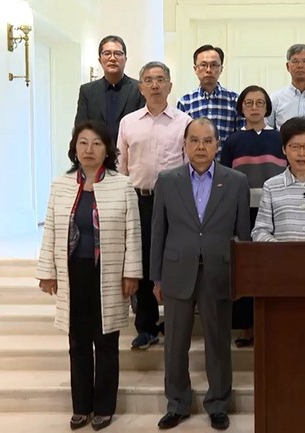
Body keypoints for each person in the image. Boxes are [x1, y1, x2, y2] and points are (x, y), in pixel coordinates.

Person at [36, 121, 142, 431]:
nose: (89, 149)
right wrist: (47, 271)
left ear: (107, 149)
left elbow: (133, 233)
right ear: (74, 149)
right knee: (77, 341)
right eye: (83, 143)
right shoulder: (61, 185)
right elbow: (52, 230)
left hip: (107, 273)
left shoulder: (122, 185)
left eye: (96, 143)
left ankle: (104, 407)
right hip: (73, 272)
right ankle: (81, 406)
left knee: (106, 341)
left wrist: (131, 272)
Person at [150, 118, 251, 431]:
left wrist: (242, 275)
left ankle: (218, 403)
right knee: (175, 343)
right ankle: (177, 403)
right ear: (184, 144)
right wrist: (156, 278)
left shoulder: (235, 181)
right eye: (194, 140)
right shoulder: (167, 180)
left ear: (217, 144)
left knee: (218, 341)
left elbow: (242, 235)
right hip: (177, 270)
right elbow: (158, 231)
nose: (201, 147)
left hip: (219, 272)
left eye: (207, 141)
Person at [117, 61, 191, 350]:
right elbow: (121, 165)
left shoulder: (184, 122)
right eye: (149, 80)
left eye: (161, 79)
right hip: (139, 200)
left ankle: (172, 323)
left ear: (170, 85)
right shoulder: (129, 122)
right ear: (141, 87)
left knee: (171, 261)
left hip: (173, 201)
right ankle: (146, 326)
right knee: (144, 261)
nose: (155, 85)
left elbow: (188, 166)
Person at [220, 85, 287, 347]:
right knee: (247, 269)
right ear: (241, 108)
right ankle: (247, 326)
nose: (255, 108)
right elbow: (224, 178)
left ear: (267, 107)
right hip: (243, 211)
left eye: (260, 103)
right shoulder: (233, 141)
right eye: (249, 103)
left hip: (275, 210)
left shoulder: (280, 138)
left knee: (272, 267)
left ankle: (272, 322)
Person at [74, 35, 145, 145]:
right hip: (98, 158)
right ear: (100, 60)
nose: (112, 58)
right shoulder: (87, 91)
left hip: (130, 156)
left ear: (125, 59)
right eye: (107, 53)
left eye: (118, 53)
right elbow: (80, 129)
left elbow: (143, 128)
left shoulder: (139, 89)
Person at [177, 44, 243, 159]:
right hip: (194, 169)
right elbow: (182, 141)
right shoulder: (185, 102)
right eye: (203, 65)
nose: (208, 70)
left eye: (214, 65)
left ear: (221, 69)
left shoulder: (235, 100)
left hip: (226, 168)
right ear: (195, 69)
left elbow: (240, 140)